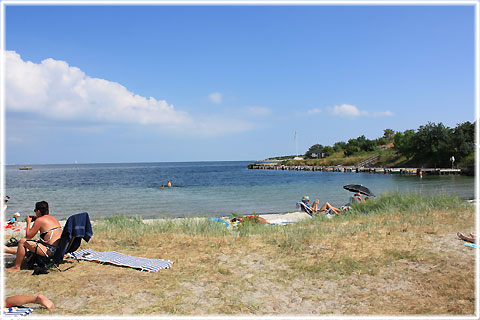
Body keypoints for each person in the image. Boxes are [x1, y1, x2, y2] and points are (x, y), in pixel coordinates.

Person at [6, 201, 62, 271]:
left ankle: (16, 267)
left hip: (49, 251)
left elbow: (28, 237)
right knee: (36, 241)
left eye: (35, 210)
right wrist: (36, 219)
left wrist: (28, 222)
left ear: (38, 211)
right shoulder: (54, 218)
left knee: (22, 241)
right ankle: (27, 259)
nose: (35, 212)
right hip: (58, 249)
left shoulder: (39, 220)